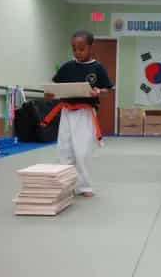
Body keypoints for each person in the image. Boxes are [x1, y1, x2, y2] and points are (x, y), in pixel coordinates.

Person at [44, 30, 113, 197]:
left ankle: (85, 186)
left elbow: (108, 90)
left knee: (82, 151)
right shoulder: (67, 66)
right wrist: (50, 93)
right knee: (64, 150)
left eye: (81, 49)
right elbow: (54, 85)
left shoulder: (97, 68)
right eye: (74, 49)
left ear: (91, 47)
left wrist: (99, 91)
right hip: (67, 112)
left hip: (85, 114)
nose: (77, 52)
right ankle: (66, 185)